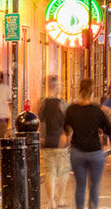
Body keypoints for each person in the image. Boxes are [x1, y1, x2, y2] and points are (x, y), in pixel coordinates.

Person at [63, 78, 111, 209]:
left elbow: (66, 128)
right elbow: (110, 129)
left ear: (79, 91)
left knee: (80, 185)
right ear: (92, 92)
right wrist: (100, 130)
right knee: (94, 186)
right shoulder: (97, 111)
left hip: (77, 151)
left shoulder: (71, 109)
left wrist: (71, 134)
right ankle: (93, 207)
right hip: (95, 152)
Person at [39, 75, 70, 209]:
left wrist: (41, 137)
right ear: (56, 87)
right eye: (59, 85)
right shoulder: (63, 103)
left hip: (48, 142)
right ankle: (61, 198)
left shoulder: (43, 103)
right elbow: (69, 123)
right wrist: (68, 136)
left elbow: (39, 122)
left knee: (49, 172)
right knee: (63, 171)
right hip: (61, 142)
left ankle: (51, 201)